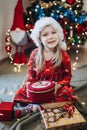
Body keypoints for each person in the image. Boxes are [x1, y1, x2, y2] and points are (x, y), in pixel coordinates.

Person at [14, 17, 76, 104]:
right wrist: (30, 86)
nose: (50, 37)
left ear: (58, 34)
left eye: (53, 33)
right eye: (45, 35)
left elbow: (67, 76)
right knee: (20, 93)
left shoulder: (63, 55)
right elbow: (31, 74)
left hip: (55, 87)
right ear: (39, 39)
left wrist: (58, 85)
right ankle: (38, 103)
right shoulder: (35, 54)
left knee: (68, 93)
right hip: (38, 86)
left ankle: (39, 104)